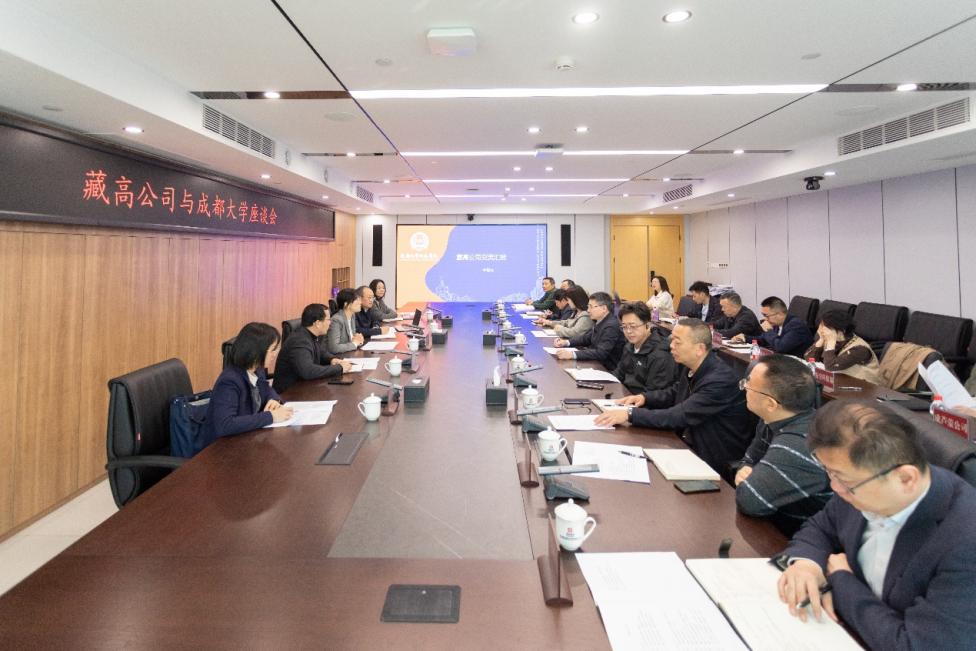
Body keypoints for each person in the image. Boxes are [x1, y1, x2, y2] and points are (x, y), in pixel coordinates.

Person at [777, 400, 976, 650]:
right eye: (830, 473)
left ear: (906, 479)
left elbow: (915, 646)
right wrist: (808, 564)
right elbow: (822, 526)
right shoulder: (863, 482)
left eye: (844, 481)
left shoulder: (965, 543)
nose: (835, 488)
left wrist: (841, 580)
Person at [594, 318, 752, 480]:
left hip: (713, 457)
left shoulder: (720, 380)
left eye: (677, 342)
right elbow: (675, 392)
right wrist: (644, 398)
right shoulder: (693, 365)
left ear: (699, 348)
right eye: (672, 340)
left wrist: (630, 414)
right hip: (690, 441)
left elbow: (680, 415)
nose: (671, 346)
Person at [734, 355, 831, 535]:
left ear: (770, 404)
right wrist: (745, 468)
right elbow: (749, 459)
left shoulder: (799, 444)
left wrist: (750, 477)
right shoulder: (773, 419)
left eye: (749, 384)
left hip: (795, 537)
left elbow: (750, 500)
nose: (745, 387)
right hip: (775, 522)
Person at [199, 322, 293, 452]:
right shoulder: (229, 381)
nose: (275, 354)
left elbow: (267, 389)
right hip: (221, 451)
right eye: (273, 349)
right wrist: (271, 416)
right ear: (256, 351)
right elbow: (225, 425)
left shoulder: (257, 369)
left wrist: (274, 399)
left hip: (246, 441)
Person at [273, 304, 353, 394]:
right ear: (318, 323)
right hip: (289, 394)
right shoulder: (299, 340)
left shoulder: (311, 335)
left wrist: (332, 359)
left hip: (305, 387)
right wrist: (339, 368)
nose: (330, 323)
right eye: (328, 320)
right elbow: (308, 371)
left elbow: (321, 353)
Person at [613, 301, 677, 394]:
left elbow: (654, 393)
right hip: (625, 394)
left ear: (648, 325)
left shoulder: (660, 354)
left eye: (633, 326)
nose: (628, 331)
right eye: (624, 327)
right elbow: (619, 373)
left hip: (642, 400)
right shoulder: (629, 346)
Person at [803, 310, 881, 384]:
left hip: (865, 387)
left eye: (827, 328)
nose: (823, 330)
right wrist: (821, 339)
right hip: (842, 382)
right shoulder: (834, 340)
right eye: (822, 326)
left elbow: (831, 366)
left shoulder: (860, 349)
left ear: (842, 331)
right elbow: (810, 359)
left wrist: (830, 342)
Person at [554, 291, 625, 370]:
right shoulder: (601, 321)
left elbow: (601, 353)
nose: (588, 310)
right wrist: (566, 342)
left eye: (591, 307)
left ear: (604, 308)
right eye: (588, 307)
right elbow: (586, 338)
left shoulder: (611, 326)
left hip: (606, 369)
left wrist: (571, 354)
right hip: (595, 363)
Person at [732, 296, 813, 356]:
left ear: (780, 314)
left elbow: (780, 347)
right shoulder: (777, 323)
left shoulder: (796, 326)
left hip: (795, 367)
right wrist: (745, 338)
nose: (765, 319)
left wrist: (769, 331)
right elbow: (764, 340)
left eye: (766, 315)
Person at [326, 288, 365, 354]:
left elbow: (351, 340)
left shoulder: (352, 316)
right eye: (357, 300)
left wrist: (358, 339)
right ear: (346, 304)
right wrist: (355, 343)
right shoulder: (336, 320)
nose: (360, 302)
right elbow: (334, 348)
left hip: (348, 354)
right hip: (338, 357)